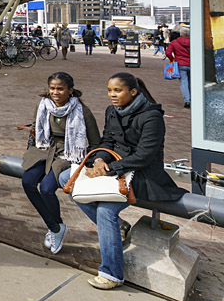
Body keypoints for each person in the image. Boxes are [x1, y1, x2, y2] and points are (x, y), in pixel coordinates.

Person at [71, 73, 186, 289]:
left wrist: (109, 169)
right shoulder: (112, 111)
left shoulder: (152, 117)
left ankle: (112, 274)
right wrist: (99, 160)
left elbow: (144, 155)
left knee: (105, 211)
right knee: (79, 192)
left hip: (143, 176)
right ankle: (120, 227)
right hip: (116, 171)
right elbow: (107, 140)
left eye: (117, 90)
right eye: (109, 90)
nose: (112, 95)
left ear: (133, 92)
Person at [20, 72, 99, 254]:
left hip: (68, 154)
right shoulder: (43, 106)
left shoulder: (82, 111)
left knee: (47, 188)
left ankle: (54, 228)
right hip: (44, 149)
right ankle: (55, 227)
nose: (55, 92)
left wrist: (91, 163)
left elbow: (95, 142)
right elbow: (36, 130)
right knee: (28, 181)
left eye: (60, 89)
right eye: (52, 88)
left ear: (70, 91)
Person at [164, 27, 191, 108]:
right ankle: (194, 98)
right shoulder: (194, 42)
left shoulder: (174, 42)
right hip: (192, 64)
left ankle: (187, 101)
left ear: (180, 34)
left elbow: (168, 53)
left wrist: (173, 60)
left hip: (180, 64)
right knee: (192, 82)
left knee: (184, 82)